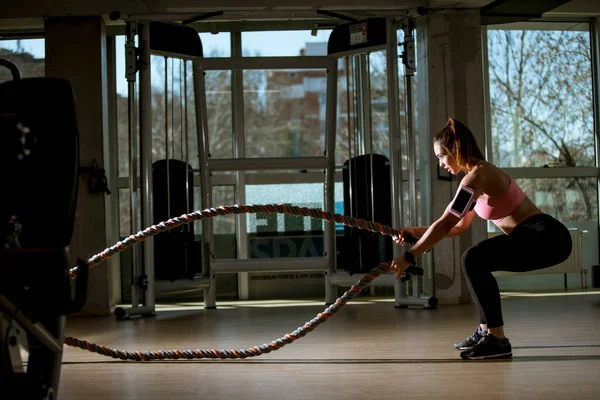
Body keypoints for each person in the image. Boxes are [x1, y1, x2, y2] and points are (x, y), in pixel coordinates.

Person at [389, 118, 572, 360]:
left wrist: (410, 256)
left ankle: (497, 340)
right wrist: (416, 232)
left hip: (546, 236)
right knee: (475, 260)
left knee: (473, 258)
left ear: (456, 149)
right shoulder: (474, 183)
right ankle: (486, 331)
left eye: (441, 156)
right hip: (534, 236)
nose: (440, 163)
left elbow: (446, 223)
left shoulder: (478, 176)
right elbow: (458, 226)